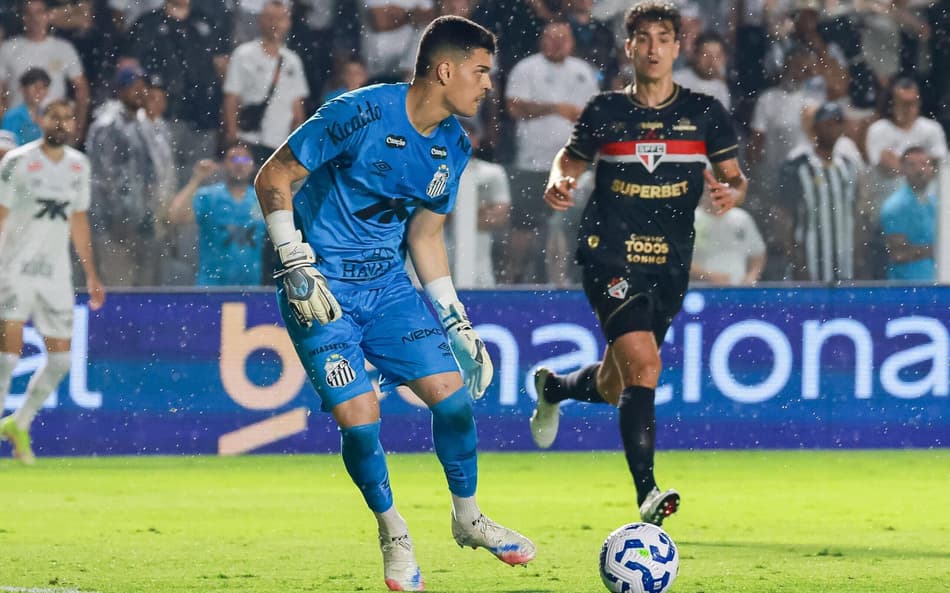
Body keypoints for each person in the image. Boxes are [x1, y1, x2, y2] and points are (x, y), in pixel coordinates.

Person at [253, 16, 535, 591]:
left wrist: (456, 321)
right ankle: (394, 533)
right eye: (481, 71)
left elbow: (425, 237)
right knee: (360, 422)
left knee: (452, 399)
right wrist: (294, 260)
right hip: (319, 288)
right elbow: (273, 176)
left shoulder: (454, 145)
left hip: (387, 289)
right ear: (446, 70)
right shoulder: (357, 112)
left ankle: (468, 518)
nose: (488, 85)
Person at [528, 1, 747, 526]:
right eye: (643, 39)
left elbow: (735, 177)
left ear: (677, 46)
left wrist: (732, 194)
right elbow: (568, 161)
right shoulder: (605, 111)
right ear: (629, 47)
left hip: (669, 264)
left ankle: (554, 389)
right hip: (609, 253)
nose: (652, 49)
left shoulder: (705, 112)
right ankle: (647, 493)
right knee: (646, 367)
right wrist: (559, 180)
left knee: (615, 383)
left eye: (662, 38)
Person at [0, 99, 105, 464]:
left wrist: (91, 274)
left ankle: (19, 423)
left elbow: (78, 221)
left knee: (60, 360)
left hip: (56, 274)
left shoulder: (79, 165)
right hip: (14, 268)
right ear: (40, 120)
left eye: (67, 118)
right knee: (7, 357)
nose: (61, 123)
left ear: (74, 123)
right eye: (54, 117)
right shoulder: (17, 162)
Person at [167, 144, 265, 286]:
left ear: (253, 166)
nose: (239, 164)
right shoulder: (209, 196)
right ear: (223, 165)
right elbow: (175, 216)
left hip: (251, 288)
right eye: (234, 159)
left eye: (245, 160)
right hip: (211, 287)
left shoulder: (261, 199)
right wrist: (196, 179)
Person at [880, 147, 939, 282]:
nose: (920, 170)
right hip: (906, 286)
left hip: (938, 283)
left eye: (924, 164)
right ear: (902, 170)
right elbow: (898, 253)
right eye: (912, 165)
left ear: (932, 169)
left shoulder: (936, 203)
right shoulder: (895, 206)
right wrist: (938, 249)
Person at [690, 187, 766, 286]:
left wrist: (751, 276)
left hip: (739, 289)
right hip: (700, 290)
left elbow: (758, 253)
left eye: (718, 190)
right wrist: (709, 276)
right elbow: (680, 260)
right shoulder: (692, 220)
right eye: (710, 191)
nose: (714, 195)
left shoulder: (741, 218)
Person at [1, 67, 50, 145]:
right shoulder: (12, 116)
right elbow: (5, 146)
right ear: (22, 88)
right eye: (36, 87)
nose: (39, 91)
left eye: (44, 87)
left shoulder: (48, 115)